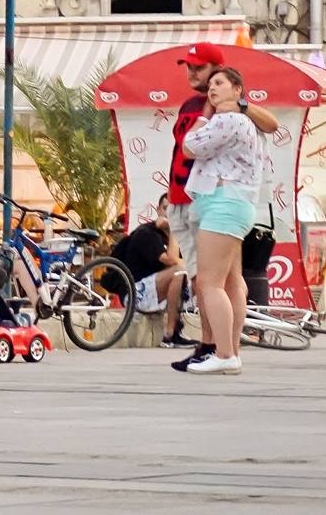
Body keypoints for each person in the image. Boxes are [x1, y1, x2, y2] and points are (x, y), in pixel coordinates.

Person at [164, 41, 278, 371]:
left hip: (216, 200)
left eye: (203, 70)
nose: (194, 74)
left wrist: (237, 104)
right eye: (190, 67)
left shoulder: (232, 114)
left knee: (209, 280)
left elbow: (190, 147)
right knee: (224, 279)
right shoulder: (202, 107)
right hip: (198, 198)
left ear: (224, 74)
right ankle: (223, 348)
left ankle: (219, 348)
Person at [112, 214, 189, 346]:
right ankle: (170, 334)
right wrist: (174, 229)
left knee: (199, 274)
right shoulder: (147, 233)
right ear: (159, 210)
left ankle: (212, 340)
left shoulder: (172, 238)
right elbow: (171, 260)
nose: (169, 214)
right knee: (178, 271)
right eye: (165, 209)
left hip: (152, 293)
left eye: (172, 210)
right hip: (134, 294)